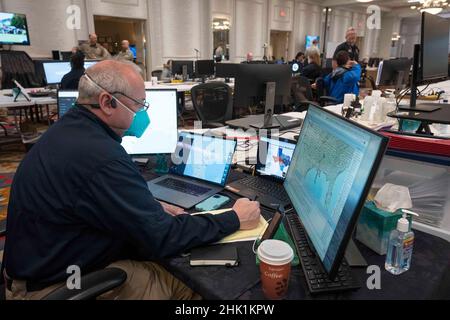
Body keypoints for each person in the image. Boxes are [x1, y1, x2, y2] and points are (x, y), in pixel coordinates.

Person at [2, 60, 261, 300]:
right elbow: (164, 238)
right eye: (139, 105)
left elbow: (87, 198)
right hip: (57, 286)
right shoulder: (103, 158)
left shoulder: (71, 130)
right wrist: (234, 218)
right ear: (107, 102)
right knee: (197, 286)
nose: (143, 113)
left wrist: (144, 207)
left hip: (39, 266)